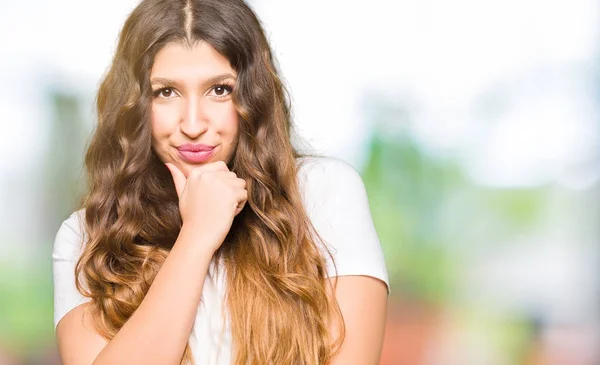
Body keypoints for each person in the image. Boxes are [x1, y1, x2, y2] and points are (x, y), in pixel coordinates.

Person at [52, 0, 389, 364]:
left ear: (252, 95)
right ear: (134, 105)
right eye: (166, 92)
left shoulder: (321, 193)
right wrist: (196, 237)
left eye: (219, 90)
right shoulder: (86, 237)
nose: (194, 125)